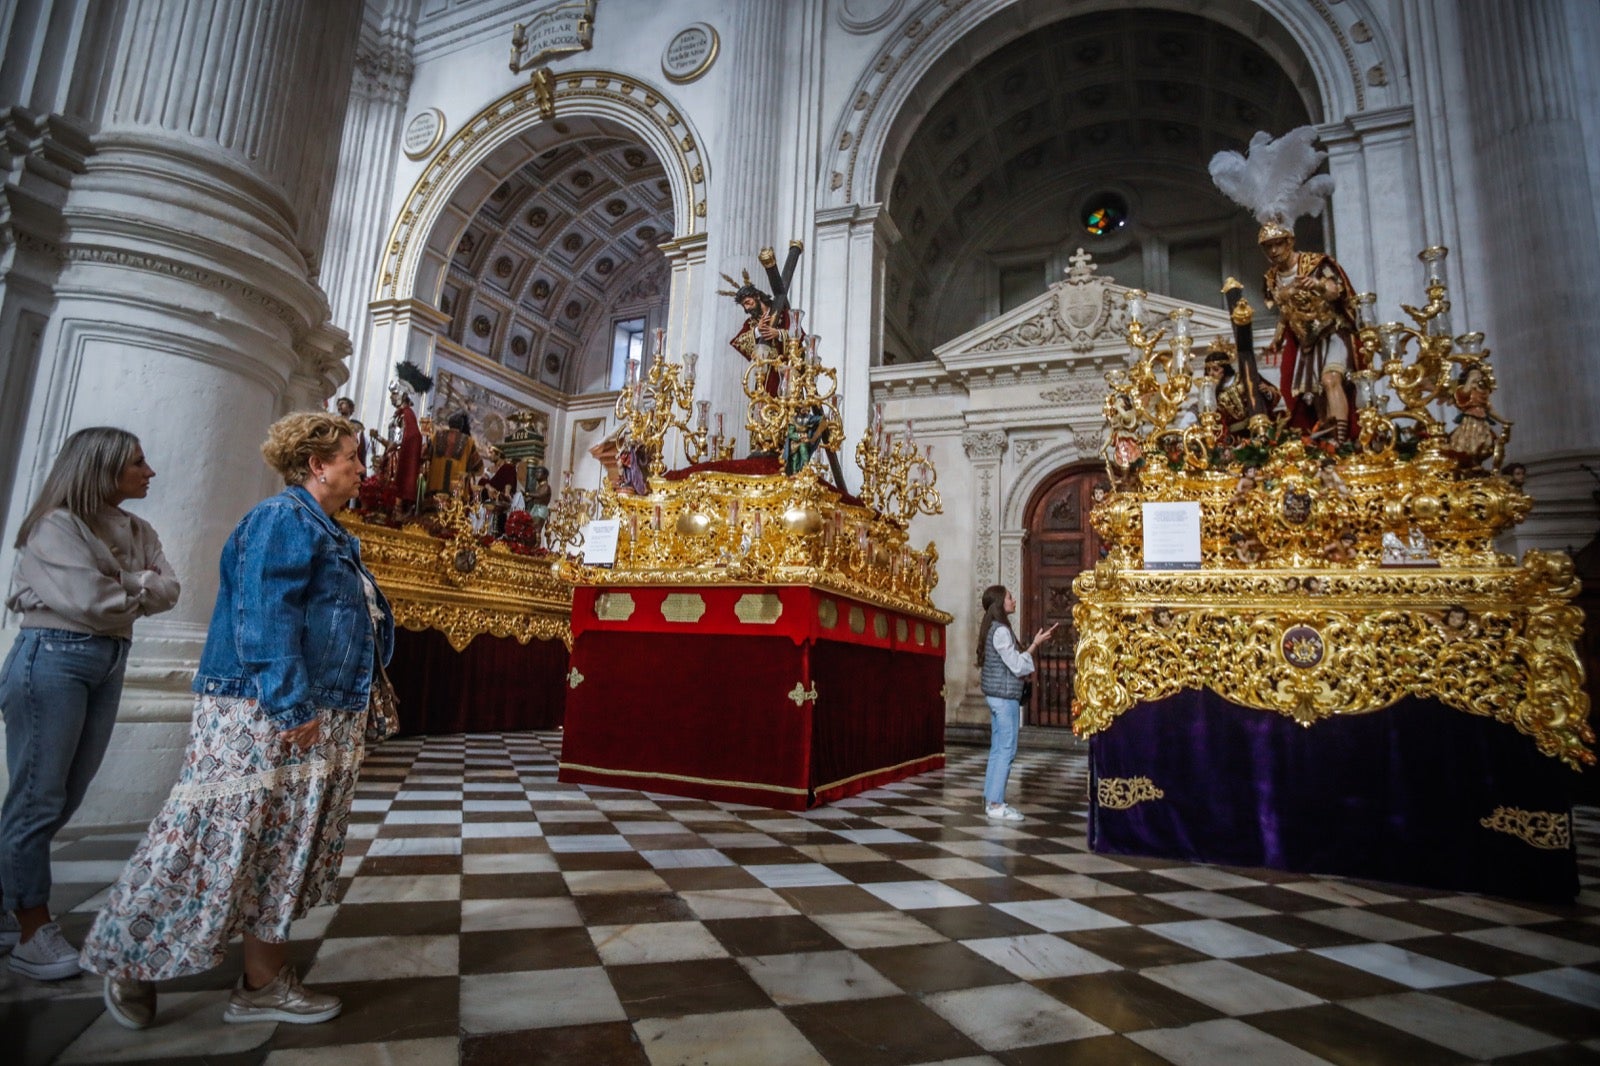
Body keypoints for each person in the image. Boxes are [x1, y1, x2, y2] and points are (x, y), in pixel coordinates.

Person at [80, 411, 394, 1030]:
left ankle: (262, 981)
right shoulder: (281, 521)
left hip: (311, 707)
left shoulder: (329, 531)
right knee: (213, 835)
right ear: (316, 464)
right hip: (263, 711)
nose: (363, 468)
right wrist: (290, 703)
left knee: (280, 845)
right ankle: (130, 956)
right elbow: (262, 618)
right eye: (354, 457)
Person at [0, 428, 179, 980]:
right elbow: (90, 602)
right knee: (38, 798)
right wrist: (134, 582)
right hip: (52, 656)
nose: (148, 472)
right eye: (137, 463)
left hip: (106, 660)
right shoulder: (56, 525)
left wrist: (118, 582)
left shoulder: (138, 527)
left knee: (64, 796)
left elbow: (170, 590)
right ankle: (32, 929)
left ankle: (8, 900)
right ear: (101, 469)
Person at [1258, 225, 1362, 439]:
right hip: (1306, 340)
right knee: (1313, 394)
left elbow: (1337, 292)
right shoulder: (1271, 278)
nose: (1274, 251)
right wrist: (1277, 339)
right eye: (1269, 247)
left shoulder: (1316, 263)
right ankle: (1327, 439)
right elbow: (1285, 312)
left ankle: (1342, 441)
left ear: (1290, 242)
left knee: (1331, 379)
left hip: (1331, 332)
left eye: (1278, 244)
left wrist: (1318, 285)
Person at [974, 585, 1056, 823]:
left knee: (998, 748)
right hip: (1004, 697)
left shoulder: (994, 629)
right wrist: (1034, 647)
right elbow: (1017, 666)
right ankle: (996, 804)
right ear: (1000, 603)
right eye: (1010, 597)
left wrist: (1033, 644)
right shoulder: (1000, 631)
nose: (1014, 600)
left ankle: (992, 799)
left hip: (996, 696)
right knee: (1006, 749)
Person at [424, 410, 483, 498]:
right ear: (461, 426)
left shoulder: (436, 436)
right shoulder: (468, 442)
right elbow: (479, 467)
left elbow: (424, 454)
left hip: (434, 491)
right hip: (456, 494)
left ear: (449, 423)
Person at [334, 397, 366, 467]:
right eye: (338, 404)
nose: (340, 406)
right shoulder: (334, 422)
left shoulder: (356, 424)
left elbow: (360, 442)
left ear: (350, 407)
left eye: (342, 403)